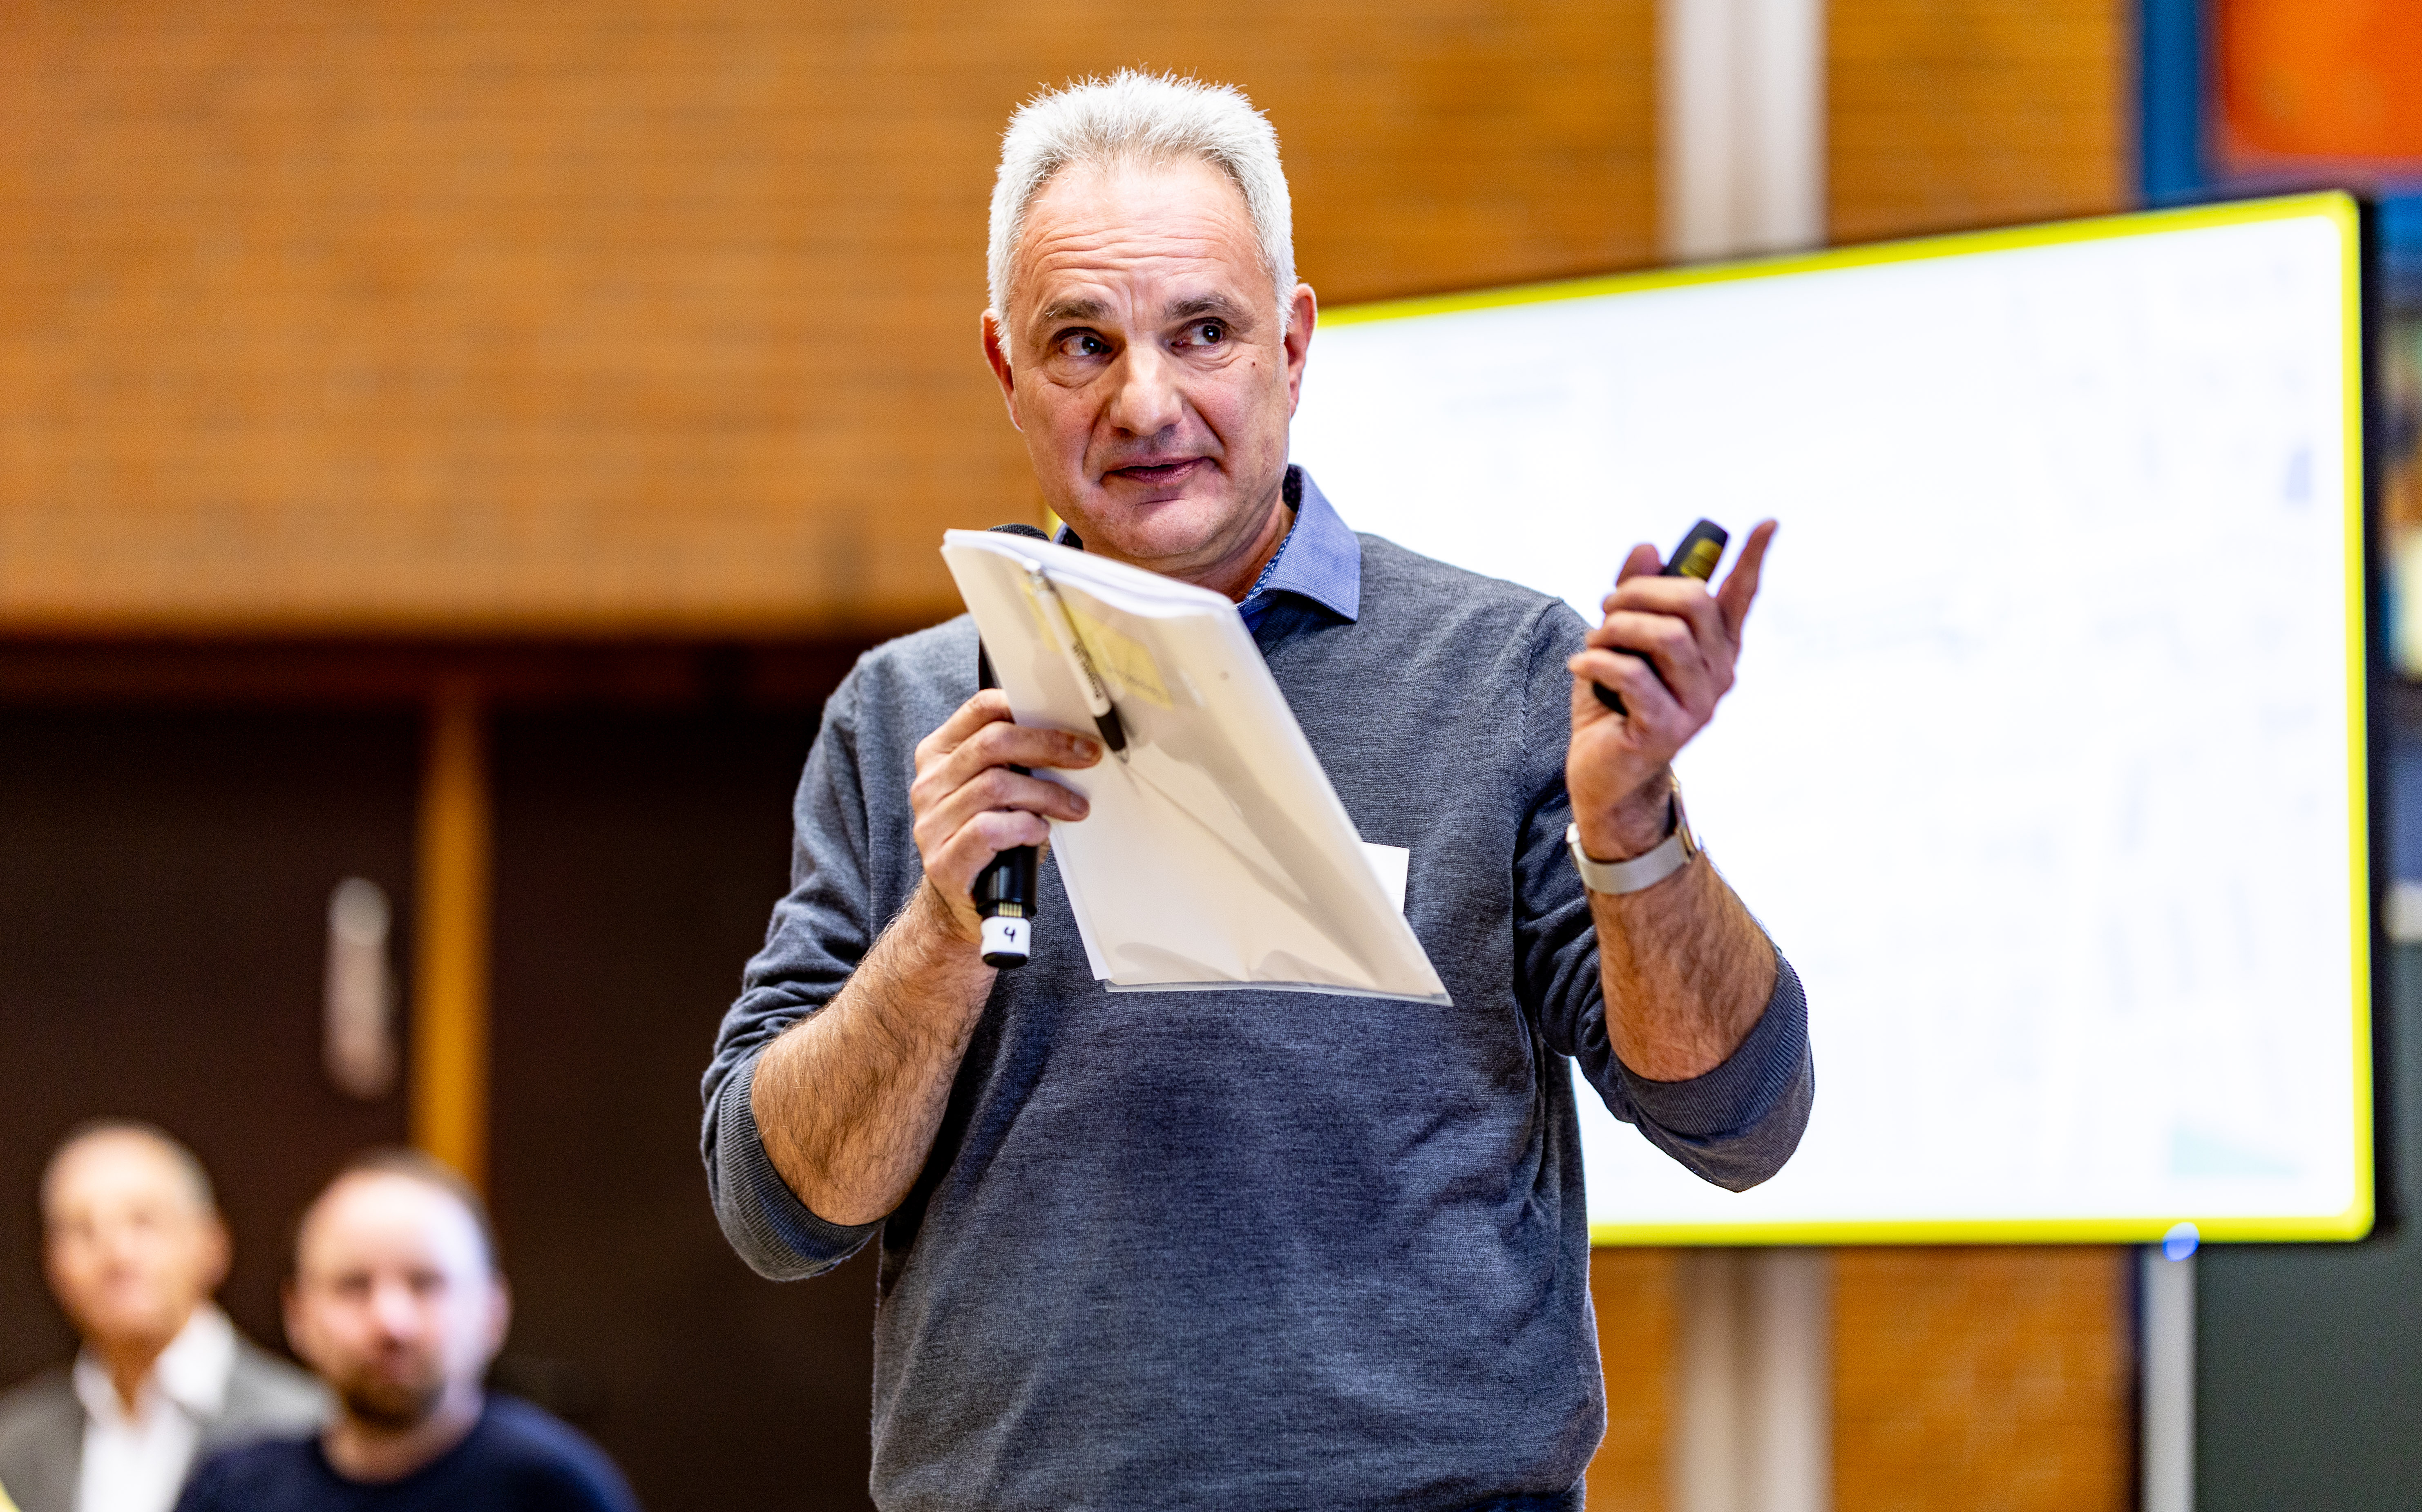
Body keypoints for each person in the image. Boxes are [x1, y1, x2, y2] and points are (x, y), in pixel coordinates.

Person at [703, 70, 1814, 1510]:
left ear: (1291, 346)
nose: (1144, 400)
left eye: (1202, 332)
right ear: (1003, 371)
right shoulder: (907, 711)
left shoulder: (1505, 676)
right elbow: (775, 1208)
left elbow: (1741, 1121)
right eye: (1080, 344)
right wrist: (933, 932)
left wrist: (1631, 835)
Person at [173, 1151, 636, 1512]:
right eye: (353, 1285)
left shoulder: (556, 1489)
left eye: (426, 1283)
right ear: (297, 1315)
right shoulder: (232, 1490)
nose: (392, 1321)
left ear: (493, 1313)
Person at [0, 1122, 327, 1512]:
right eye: (83, 1231)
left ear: (212, 1243)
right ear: (52, 1263)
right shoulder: (13, 1442)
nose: (116, 1254)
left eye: (144, 1222)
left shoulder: (307, 1427)